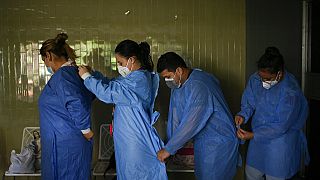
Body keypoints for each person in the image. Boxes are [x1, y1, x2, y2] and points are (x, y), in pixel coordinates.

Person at [78, 39, 167, 180]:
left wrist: (86, 77)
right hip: (128, 141)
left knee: (137, 174)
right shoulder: (132, 78)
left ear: (131, 60)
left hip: (136, 142)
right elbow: (113, 83)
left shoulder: (139, 81)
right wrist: (93, 74)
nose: (119, 66)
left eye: (120, 63)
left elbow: (108, 93)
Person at [156, 52, 239, 180]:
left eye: (168, 76)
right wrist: (169, 146)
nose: (167, 81)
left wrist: (169, 149)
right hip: (203, 143)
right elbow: (175, 118)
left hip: (218, 143)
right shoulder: (178, 86)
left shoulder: (200, 84)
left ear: (178, 70)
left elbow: (191, 123)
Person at [235, 47, 310, 180]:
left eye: (267, 79)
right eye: (261, 77)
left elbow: (281, 126)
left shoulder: (290, 91)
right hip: (257, 141)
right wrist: (242, 115)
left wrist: (253, 135)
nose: (263, 82)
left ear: (279, 73)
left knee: (274, 176)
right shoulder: (255, 79)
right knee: (252, 173)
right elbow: (249, 102)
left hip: (280, 142)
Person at [38, 33, 95, 180]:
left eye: (44, 59)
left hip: (65, 146)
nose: (45, 64)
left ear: (48, 56)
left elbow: (76, 102)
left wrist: (86, 130)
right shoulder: (72, 73)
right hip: (65, 142)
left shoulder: (63, 76)